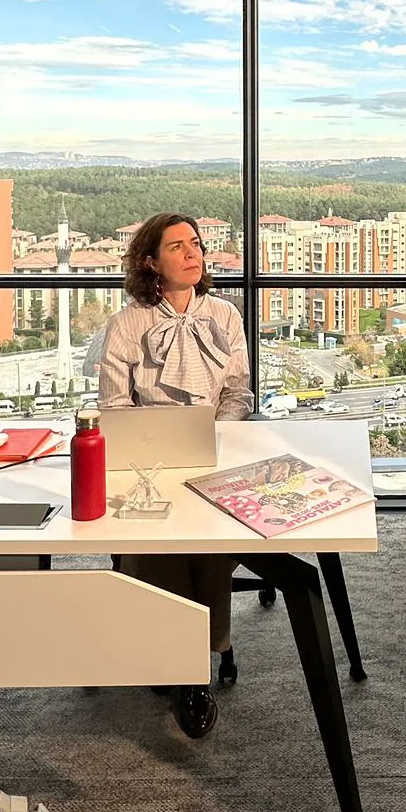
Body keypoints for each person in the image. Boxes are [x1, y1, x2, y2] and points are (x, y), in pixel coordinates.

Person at [97, 213, 252, 739]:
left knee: (212, 537)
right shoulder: (128, 325)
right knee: (158, 532)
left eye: (197, 245)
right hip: (149, 462)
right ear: (150, 262)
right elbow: (115, 406)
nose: (193, 254)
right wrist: (154, 450)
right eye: (177, 246)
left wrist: (216, 436)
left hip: (215, 455)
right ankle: (185, 664)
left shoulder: (226, 316)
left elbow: (237, 392)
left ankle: (192, 665)